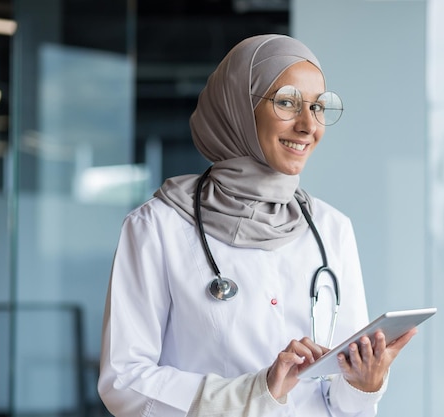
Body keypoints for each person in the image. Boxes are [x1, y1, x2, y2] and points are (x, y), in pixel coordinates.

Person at [97, 34, 417, 417]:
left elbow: (336, 399)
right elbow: (124, 381)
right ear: (238, 107)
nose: (307, 125)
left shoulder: (332, 229)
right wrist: (253, 392)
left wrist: (363, 385)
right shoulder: (157, 228)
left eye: (318, 108)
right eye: (287, 102)